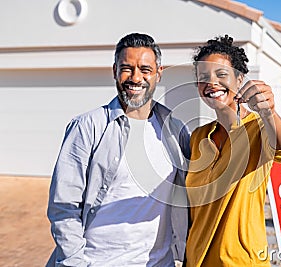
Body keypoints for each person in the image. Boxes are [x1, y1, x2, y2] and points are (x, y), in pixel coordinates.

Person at [47, 33, 190, 266]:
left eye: (145, 69)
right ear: (114, 70)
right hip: (96, 261)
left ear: (158, 73)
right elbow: (64, 207)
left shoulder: (175, 130)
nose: (135, 77)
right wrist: (75, 262)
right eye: (127, 68)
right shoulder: (87, 127)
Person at [185, 35, 281, 266]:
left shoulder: (259, 128)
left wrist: (269, 112)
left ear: (239, 79)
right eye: (203, 77)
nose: (212, 83)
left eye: (221, 75)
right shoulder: (198, 137)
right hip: (197, 260)